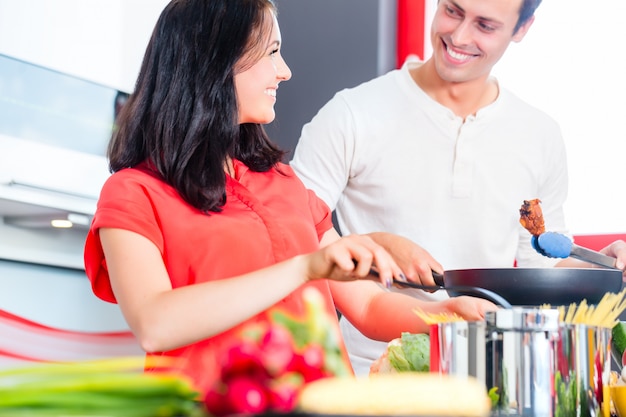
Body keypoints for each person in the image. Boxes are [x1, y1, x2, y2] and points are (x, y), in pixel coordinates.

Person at [83, 0, 496, 396]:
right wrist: (304, 268)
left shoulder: (283, 182)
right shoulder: (132, 194)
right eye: (272, 52)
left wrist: (446, 315)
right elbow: (156, 322)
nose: (284, 71)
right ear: (215, 61)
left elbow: (367, 307)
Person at [290, 0, 626, 376]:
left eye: (485, 25)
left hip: (489, 375)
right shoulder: (351, 114)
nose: (458, 36)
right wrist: (379, 242)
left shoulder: (539, 135)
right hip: (373, 375)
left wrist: (603, 265)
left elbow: (542, 259)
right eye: (452, 10)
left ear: (522, 28)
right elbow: (292, 232)